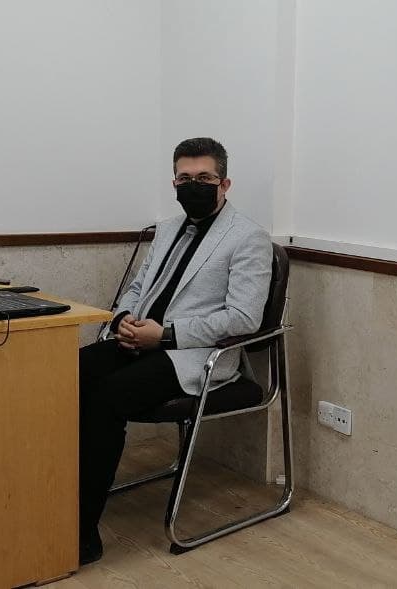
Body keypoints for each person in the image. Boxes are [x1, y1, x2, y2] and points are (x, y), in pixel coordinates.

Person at [76, 137, 273, 565]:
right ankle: (50, 494)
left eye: (204, 178)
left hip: (193, 354)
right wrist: (123, 318)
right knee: (68, 373)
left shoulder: (249, 238)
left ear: (224, 184)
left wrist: (164, 335)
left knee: (109, 397)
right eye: (185, 178)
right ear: (174, 183)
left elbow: (244, 318)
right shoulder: (166, 229)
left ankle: (81, 528)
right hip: (139, 339)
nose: (193, 185)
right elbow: (137, 287)